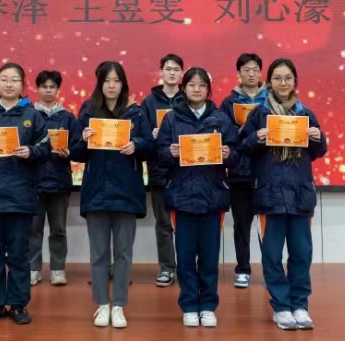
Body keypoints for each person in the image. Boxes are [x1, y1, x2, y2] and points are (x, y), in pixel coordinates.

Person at [239, 58, 327, 331]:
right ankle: (281, 306)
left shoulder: (305, 113)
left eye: (288, 78)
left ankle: (300, 305)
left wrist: (318, 137)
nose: (283, 83)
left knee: (301, 254)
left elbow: (319, 151)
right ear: (269, 82)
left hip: (300, 195)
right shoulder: (259, 114)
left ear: (295, 81)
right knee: (272, 255)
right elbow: (243, 147)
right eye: (277, 78)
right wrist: (257, 138)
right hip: (270, 196)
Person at [70, 61, 154, 328]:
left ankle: (118, 305)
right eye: (107, 80)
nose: (111, 85)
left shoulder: (135, 111)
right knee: (98, 254)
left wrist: (136, 144)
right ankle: (101, 305)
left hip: (126, 192)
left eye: (116, 81)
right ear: (100, 83)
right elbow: (75, 152)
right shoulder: (88, 109)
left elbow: (150, 146)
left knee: (123, 253)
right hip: (96, 191)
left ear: (123, 84)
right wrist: (83, 139)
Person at [156, 67, 240, 328]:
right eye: (192, 84)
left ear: (208, 90)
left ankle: (208, 306)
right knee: (184, 257)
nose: (197, 89)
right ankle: (190, 305)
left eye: (202, 85)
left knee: (209, 257)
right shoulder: (171, 119)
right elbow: (158, 155)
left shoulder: (221, 119)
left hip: (213, 197)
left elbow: (238, 155)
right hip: (181, 196)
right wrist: (169, 152)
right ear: (184, 88)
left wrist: (228, 154)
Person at [0, 63, 51, 326]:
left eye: (14, 79)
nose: (8, 84)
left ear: (22, 85)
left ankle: (17, 304)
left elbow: (45, 148)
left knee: (18, 255)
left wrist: (31, 152)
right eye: (4, 79)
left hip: (20, 197)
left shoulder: (32, 115)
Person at [220, 53, 266, 289]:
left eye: (255, 69)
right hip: (239, 173)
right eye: (246, 70)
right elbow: (222, 134)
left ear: (261, 72)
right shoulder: (229, 103)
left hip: (267, 171)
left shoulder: (271, 100)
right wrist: (240, 132)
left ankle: (271, 268)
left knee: (269, 226)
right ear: (238, 73)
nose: (251, 74)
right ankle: (243, 269)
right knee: (241, 225)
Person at [140, 54, 184, 288]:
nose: (172, 73)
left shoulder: (189, 98)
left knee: (186, 224)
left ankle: (187, 267)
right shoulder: (148, 102)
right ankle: (167, 267)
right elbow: (141, 135)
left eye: (176, 69)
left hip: (186, 170)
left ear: (182, 73)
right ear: (161, 72)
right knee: (164, 223)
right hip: (159, 170)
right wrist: (152, 135)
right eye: (168, 69)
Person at [30, 70, 76, 287]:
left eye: (52, 87)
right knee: (33, 229)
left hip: (59, 181)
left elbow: (77, 146)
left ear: (58, 89)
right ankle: (33, 269)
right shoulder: (29, 114)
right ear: (38, 88)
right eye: (44, 86)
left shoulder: (67, 117)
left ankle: (58, 270)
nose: (48, 90)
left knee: (58, 230)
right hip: (33, 182)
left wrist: (70, 152)